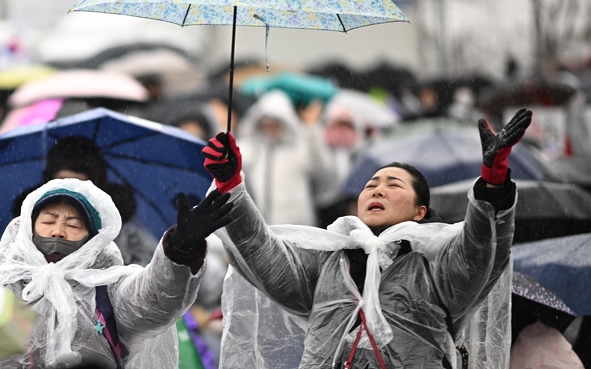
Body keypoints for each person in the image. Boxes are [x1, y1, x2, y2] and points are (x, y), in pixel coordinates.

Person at [201, 108, 532, 368]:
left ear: (420, 211)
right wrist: (231, 185)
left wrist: (493, 180)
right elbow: (262, 254)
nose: (378, 189)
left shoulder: (435, 263)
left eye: (394, 184)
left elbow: (480, 250)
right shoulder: (328, 258)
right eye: (372, 183)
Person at [0, 177, 233, 368]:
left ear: (93, 239)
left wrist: (180, 248)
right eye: (49, 221)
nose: (58, 231)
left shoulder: (107, 288)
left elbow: (156, 299)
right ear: (29, 228)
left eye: (73, 224)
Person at [235, 90, 336, 227]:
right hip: (260, 224)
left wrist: (312, 128)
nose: (270, 127)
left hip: (295, 225)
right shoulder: (251, 147)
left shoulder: (298, 147)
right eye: (266, 123)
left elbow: (322, 166)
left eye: (275, 123)